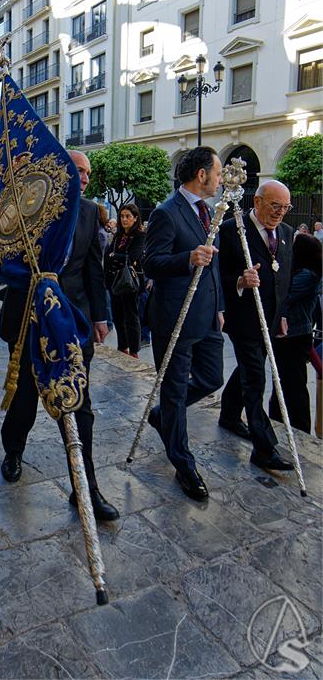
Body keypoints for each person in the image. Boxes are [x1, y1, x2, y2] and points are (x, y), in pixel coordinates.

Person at [0, 150, 119, 521]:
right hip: (27, 320)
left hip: (73, 323)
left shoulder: (89, 213)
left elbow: (93, 271)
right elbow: (6, 258)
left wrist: (100, 316)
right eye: (77, 170)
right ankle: (14, 450)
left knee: (79, 404)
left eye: (87, 173)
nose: (83, 177)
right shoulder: (32, 203)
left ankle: (85, 486)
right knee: (24, 399)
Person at [144, 146, 224, 500]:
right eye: (218, 174)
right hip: (174, 316)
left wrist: (220, 303)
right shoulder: (167, 213)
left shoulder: (209, 212)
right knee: (175, 390)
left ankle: (163, 415)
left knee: (212, 378)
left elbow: (215, 265)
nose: (221, 180)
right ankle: (183, 462)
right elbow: (152, 264)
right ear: (202, 175)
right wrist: (187, 258)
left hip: (207, 316)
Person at [219, 179, 294, 472]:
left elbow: (283, 279)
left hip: (272, 320)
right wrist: (239, 280)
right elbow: (216, 275)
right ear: (258, 202)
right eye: (275, 206)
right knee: (255, 379)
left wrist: (283, 314)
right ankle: (264, 449)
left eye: (285, 207)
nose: (280, 213)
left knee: (248, 370)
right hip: (243, 319)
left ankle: (228, 414)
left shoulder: (286, 233)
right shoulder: (231, 229)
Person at [268, 234, 322, 434]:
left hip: (296, 335)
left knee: (295, 384)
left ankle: (300, 427)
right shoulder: (302, 271)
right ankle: (277, 420)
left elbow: (284, 295)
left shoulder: (308, 275)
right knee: (281, 381)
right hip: (287, 334)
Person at [104, 203, 145, 357]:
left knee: (131, 316)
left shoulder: (140, 236)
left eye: (128, 216)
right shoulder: (118, 236)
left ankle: (134, 350)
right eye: (122, 216)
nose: (124, 219)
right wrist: (117, 257)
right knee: (117, 316)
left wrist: (115, 256)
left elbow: (133, 257)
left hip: (129, 283)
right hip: (114, 281)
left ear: (135, 218)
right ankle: (122, 346)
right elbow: (107, 256)